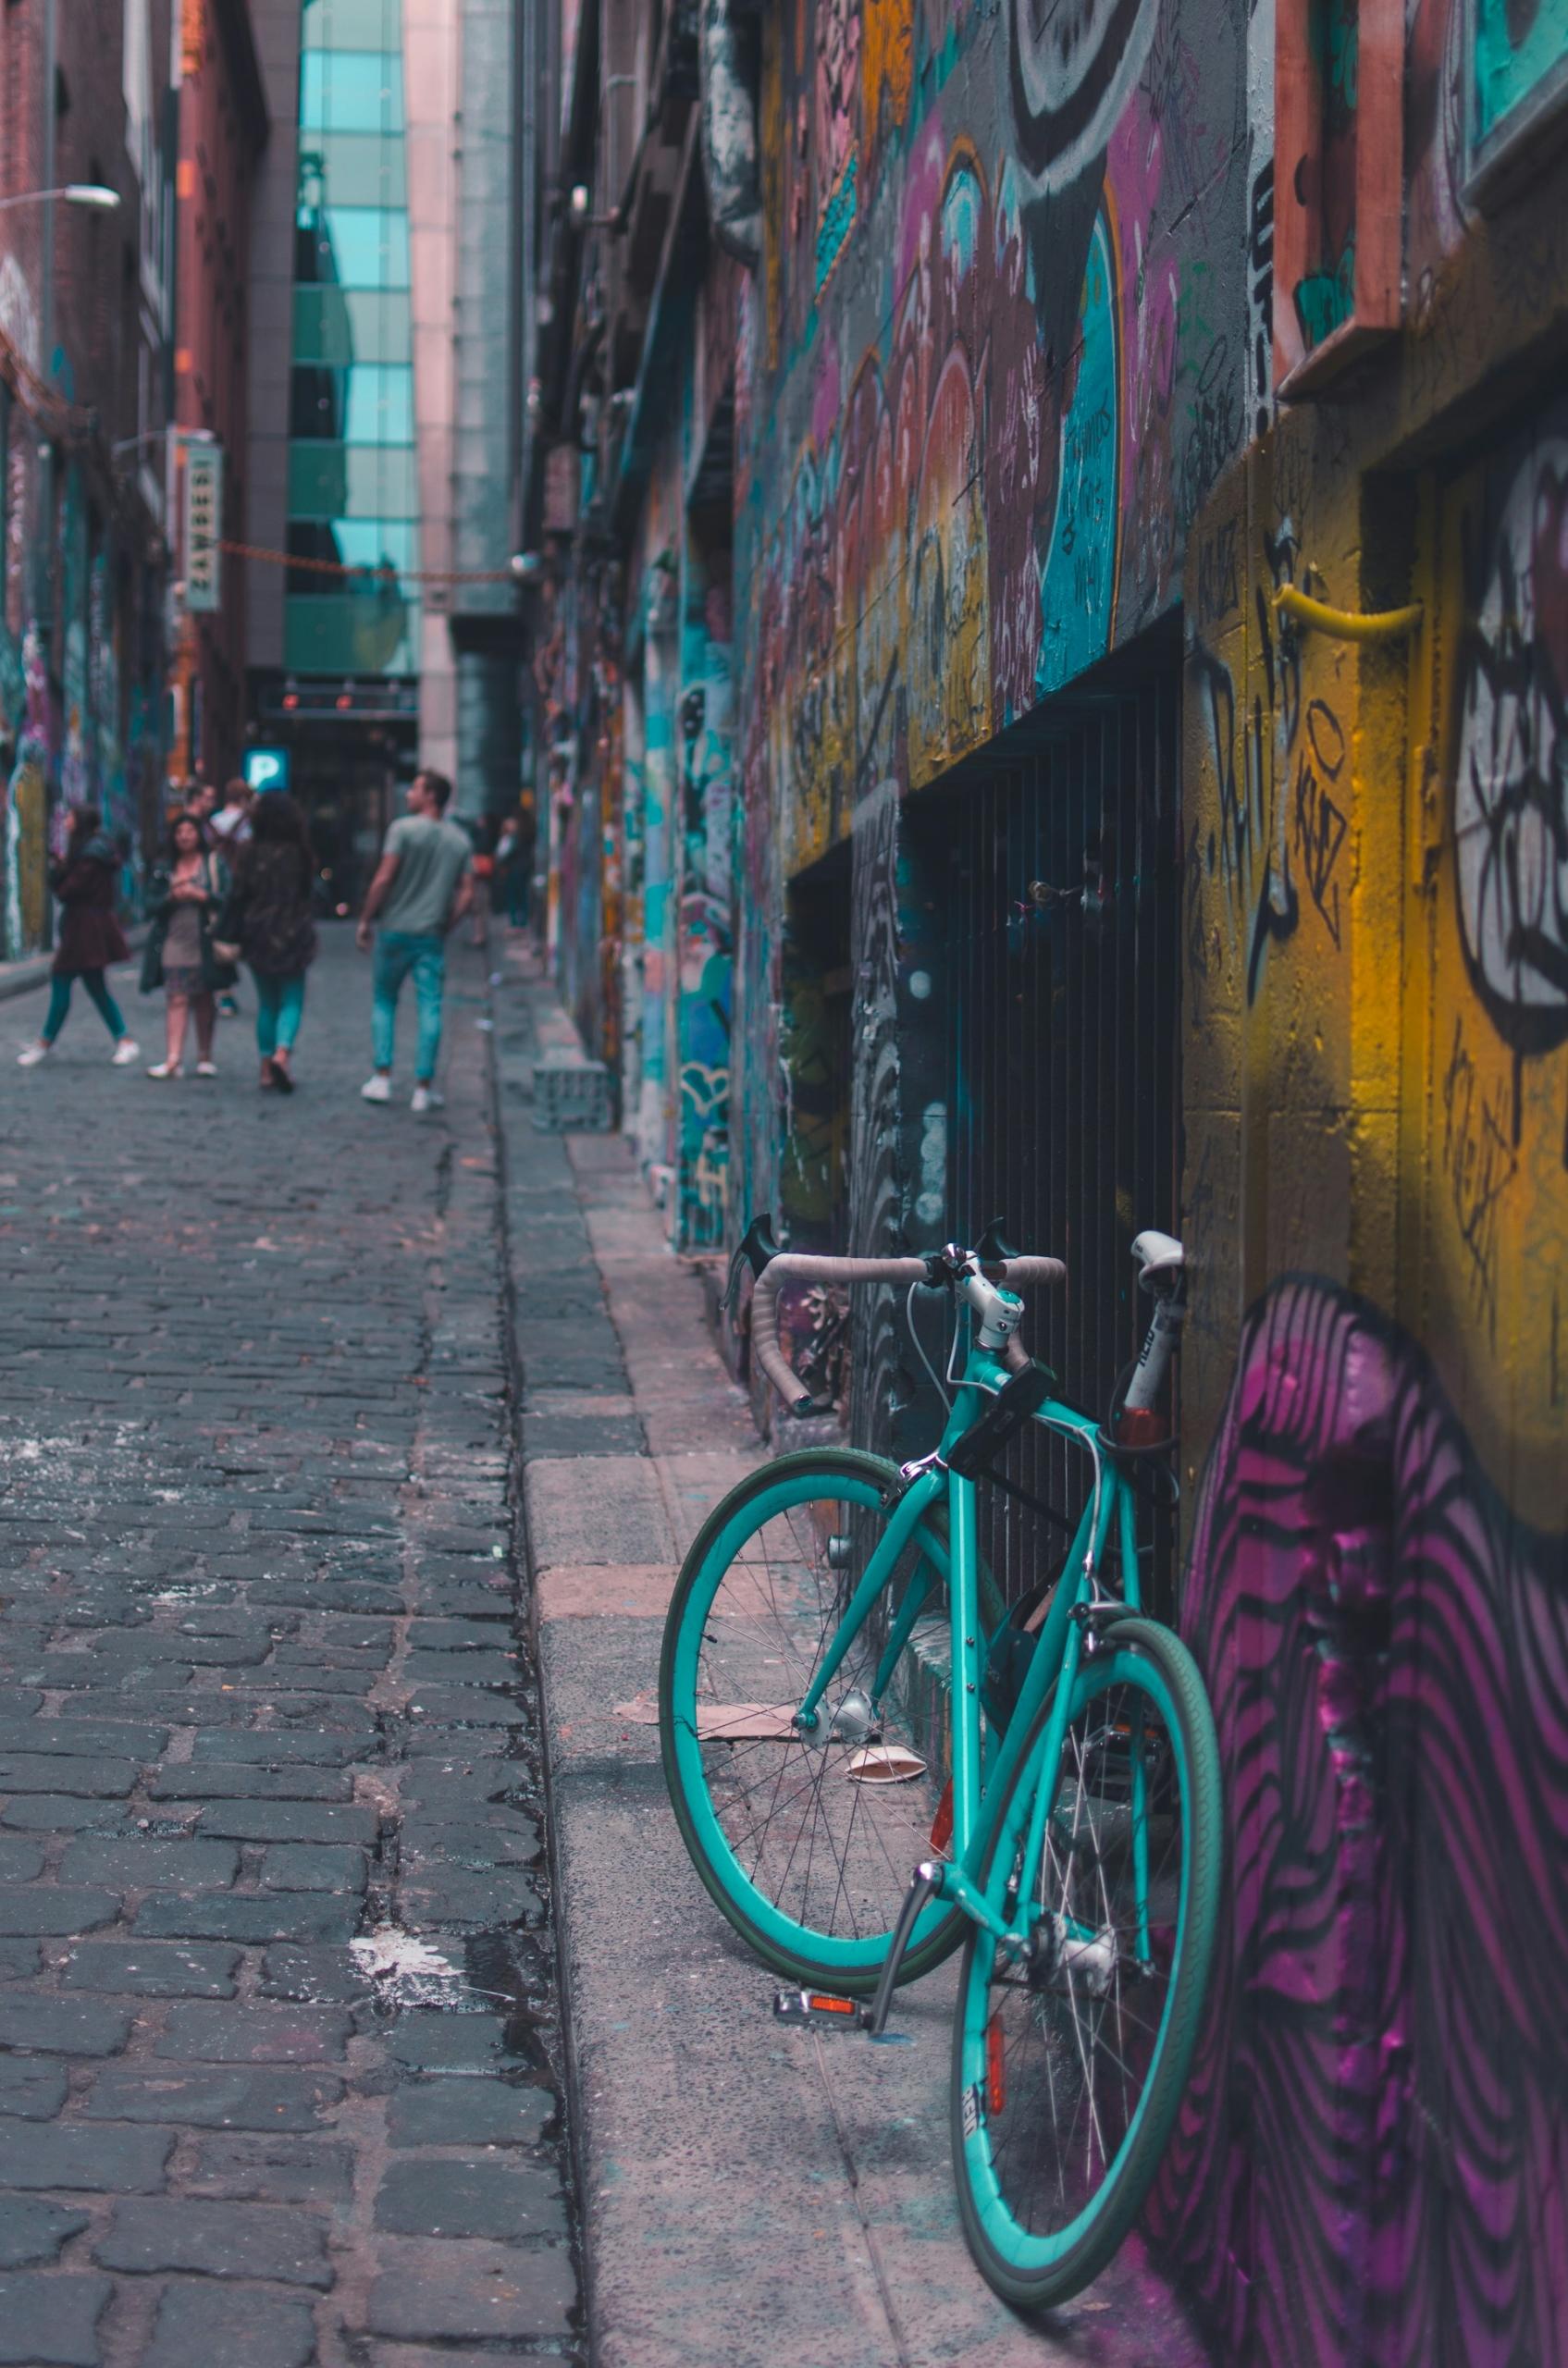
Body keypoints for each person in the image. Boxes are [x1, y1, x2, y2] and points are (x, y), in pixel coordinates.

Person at [356, 768, 472, 1114]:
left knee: (385, 1001)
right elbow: (467, 893)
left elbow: (384, 877)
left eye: (416, 789)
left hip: (395, 929)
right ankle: (423, 1087)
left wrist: (366, 918)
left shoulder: (402, 830)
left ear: (431, 796)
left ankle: (382, 1076)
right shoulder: (459, 840)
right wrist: (448, 923)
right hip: (430, 935)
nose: (409, 794)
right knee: (430, 1006)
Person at [16, 806, 140, 1068]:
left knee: (64, 980)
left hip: (84, 930)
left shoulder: (90, 856)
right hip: (87, 928)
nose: (66, 821)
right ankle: (123, 1040)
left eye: (70, 817)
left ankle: (46, 1043)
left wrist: (58, 873)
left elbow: (68, 890)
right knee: (93, 986)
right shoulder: (96, 851)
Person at [218, 792, 318, 1094]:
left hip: (258, 931)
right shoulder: (300, 852)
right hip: (293, 931)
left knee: (267, 1003)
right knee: (291, 999)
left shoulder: (249, 852)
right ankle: (282, 1053)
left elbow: (238, 893)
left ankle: (265, 1069)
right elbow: (306, 892)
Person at [142, 811, 231, 1079]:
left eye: (189, 832)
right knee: (177, 996)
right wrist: (171, 896)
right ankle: (173, 1058)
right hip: (174, 939)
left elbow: (228, 898)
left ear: (198, 835)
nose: (184, 837)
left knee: (204, 997)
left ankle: (204, 1056)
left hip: (204, 937)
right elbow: (150, 904)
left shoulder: (213, 864)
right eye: (179, 832)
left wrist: (202, 895)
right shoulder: (165, 866)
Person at [207, 781, 253, 1016]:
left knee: (222, 935)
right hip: (241, 883)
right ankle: (226, 992)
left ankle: (223, 991)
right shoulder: (248, 824)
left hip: (218, 881)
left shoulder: (215, 821)